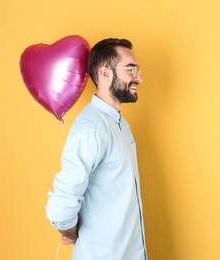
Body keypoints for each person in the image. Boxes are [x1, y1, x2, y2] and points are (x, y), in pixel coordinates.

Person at [46, 38, 147, 260]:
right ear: (105, 73)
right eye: (130, 69)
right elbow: (60, 207)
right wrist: (70, 231)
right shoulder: (92, 128)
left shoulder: (119, 124)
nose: (138, 77)